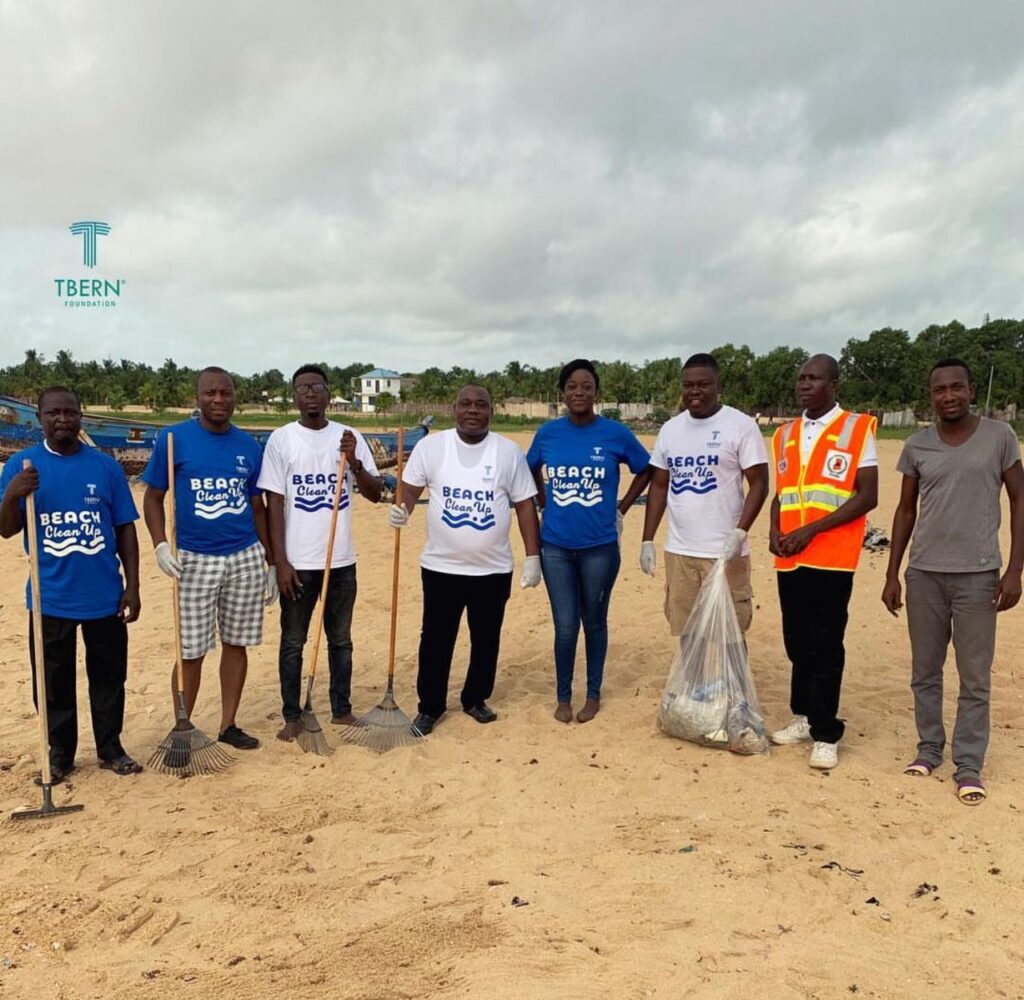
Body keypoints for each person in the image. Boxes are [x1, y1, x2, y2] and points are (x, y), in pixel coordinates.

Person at [882, 359, 1023, 805]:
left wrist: (1015, 569)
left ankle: (968, 764)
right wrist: (892, 572)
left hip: (978, 575)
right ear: (931, 396)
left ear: (970, 389)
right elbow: (905, 510)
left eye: (956, 388)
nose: (948, 396)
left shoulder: (999, 438)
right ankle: (928, 749)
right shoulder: (917, 445)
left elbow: (1020, 501)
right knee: (924, 671)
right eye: (939, 390)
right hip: (924, 574)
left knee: (974, 676)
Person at [0, 386, 142, 781]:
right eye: (53, 414)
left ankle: (110, 748)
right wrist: (11, 496)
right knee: (52, 683)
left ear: (81, 416)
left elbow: (125, 529)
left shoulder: (105, 467)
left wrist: (133, 586)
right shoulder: (22, 466)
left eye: (70, 413)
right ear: (40, 418)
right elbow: (6, 531)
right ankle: (60, 754)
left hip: (104, 595)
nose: (62, 420)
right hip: (50, 597)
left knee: (110, 677)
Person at [390, 384, 541, 734]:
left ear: (492, 410)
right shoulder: (432, 447)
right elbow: (410, 488)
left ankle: (475, 698)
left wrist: (533, 555)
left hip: (493, 568)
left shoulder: (508, 452)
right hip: (442, 566)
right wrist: (403, 509)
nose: (473, 410)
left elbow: (524, 505)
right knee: (435, 639)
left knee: (486, 638)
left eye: (482, 405)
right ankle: (430, 707)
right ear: (454, 408)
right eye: (466, 404)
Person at [142, 367, 275, 751]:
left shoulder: (248, 446)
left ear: (235, 396)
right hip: (194, 558)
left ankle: (228, 724)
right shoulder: (173, 439)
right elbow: (153, 496)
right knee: (191, 649)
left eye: (226, 393)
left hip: (244, 555)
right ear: (197, 397)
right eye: (210, 393)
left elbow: (257, 505)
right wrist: (159, 544)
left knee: (237, 643)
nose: (218, 400)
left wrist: (268, 559)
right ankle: (183, 726)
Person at [258, 364, 382, 740]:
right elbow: (273, 503)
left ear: (328, 394)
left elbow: (376, 492)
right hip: (297, 563)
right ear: (294, 397)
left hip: (340, 561)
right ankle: (292, 715)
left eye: (317, 387)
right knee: (293, 641)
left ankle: (341, 710)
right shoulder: (282, 440)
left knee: (340, 639)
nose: (310, 393)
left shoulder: (349, 437)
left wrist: (355, 462)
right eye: (303, 388)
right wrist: (280, 562)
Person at [769, 354, 878, 769]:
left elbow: (867, 495)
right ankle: (803, 715)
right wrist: (774, 531)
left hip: (831, 557)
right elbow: (783, 492)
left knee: (826, 643)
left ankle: (827, 731)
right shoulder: (785, 433)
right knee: (796, 640)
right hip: (790, 556)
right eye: (800, 378)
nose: (803, 384)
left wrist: (811, 530)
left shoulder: (857, 428)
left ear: (833, 384)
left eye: (813, 378)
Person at [526, 359, 651, 723]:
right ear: (562, 393)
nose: (579, 392)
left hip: (600, 547)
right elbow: (529, 468)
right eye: (572, 386)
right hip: (556, 547)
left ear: (596, 392)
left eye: (586, 386)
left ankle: (592, 694)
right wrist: (542, 500)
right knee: (565, 625)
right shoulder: (549, 433)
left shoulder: (615, 433)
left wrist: (623, 508)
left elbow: (647, 469)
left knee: (594, 620)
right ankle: (563, 696)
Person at [640, 353, 769, 638]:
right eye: (688, 385)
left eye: (703, 384)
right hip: (680, 552)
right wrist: (647, 539)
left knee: (729, 632)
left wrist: (741, 532)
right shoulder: (670, 430)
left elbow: (759, 484)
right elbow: (659, 485)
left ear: (717, 385)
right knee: (686, 630)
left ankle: (729, 685)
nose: (694, 391)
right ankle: (694, 685)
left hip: (724, 552)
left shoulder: (741, 425)